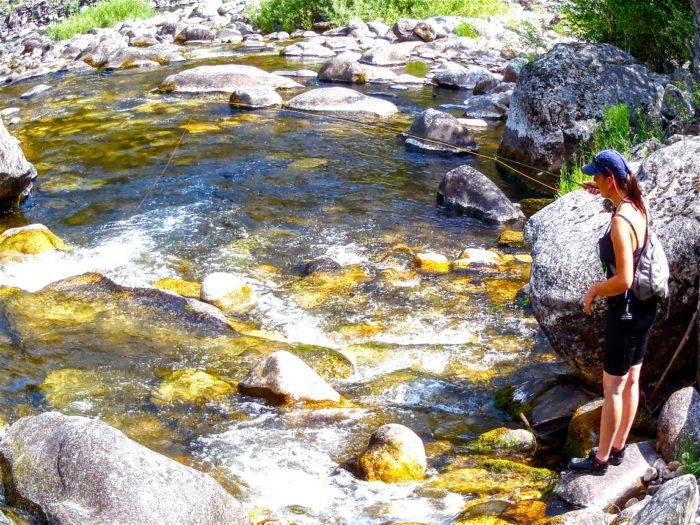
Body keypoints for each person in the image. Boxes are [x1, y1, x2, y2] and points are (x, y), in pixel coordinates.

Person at [567, 150, 659, 475]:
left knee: (613, 387)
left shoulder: (621, 222)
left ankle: (601, 459)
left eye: (596, 176)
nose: (593, 180)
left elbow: (623, 279)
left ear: (610, 179)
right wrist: (601, 192)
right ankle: (619, 447)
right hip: (646, 307)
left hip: (626, 311)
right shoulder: (636, 204)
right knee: (632, 379)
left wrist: (594, 289)